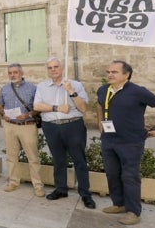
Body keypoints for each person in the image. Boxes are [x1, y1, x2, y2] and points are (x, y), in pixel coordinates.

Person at [96, 60, 155, 226]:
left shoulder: (138, 91)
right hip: (108, 140)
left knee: (130, 177)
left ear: (126, 75)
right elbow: (100, 106)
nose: (109, 74)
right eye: (108, 71)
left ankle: (133, 212)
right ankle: (119, 204)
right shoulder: (103, 90)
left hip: (131, 142)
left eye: (114, 72)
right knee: (112, 174)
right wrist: (100, 123)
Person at [33, 57, 95, 209]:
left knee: (79, 160)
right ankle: (61, 189)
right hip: (51, 126)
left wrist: (71, 92)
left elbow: (83, 108)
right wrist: (56, 108)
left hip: (73, 125)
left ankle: (85, 194)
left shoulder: (75, 85)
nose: (53, 70)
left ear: (62, 68)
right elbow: (37, 105)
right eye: (50, 68)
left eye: (56, 67)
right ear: (47, 70)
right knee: (58, 160)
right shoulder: (41, 86)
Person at [0, 63, 44, 197]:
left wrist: (28, 115)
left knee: (33, 157)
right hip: (10, 125)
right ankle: (13, 182)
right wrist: (3, 113)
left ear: (22, 73)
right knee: (11, 157)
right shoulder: (5, 88)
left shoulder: (32, 88)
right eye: (10, 73)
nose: (12, 75)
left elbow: (38, 107)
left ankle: (38, 185)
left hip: (27, 126)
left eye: (15, 72)